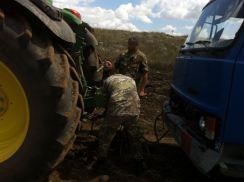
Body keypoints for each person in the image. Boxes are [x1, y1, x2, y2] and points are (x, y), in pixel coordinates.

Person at [95, 72, 145, 169]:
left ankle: (101, 160)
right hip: (134, 108)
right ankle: (139, 161)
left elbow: (105, 99)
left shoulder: (108, 80)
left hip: (117, 108)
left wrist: (102, 114)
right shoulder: (131, 80)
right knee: (134, 135)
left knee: (106, 134)